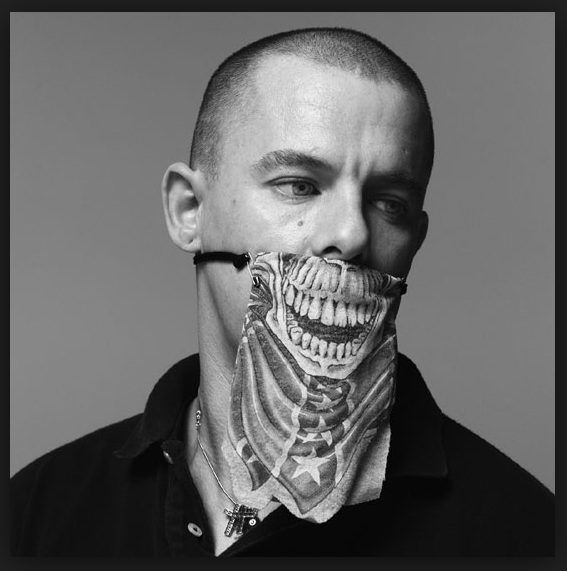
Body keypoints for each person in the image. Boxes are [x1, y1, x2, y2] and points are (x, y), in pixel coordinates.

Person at [10, 27, 554, 557]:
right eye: (299, 185)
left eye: (389, 203)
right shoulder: (36, 513)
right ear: (189, 211)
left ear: (416, 236)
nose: (352, 235)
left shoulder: (523, 536)